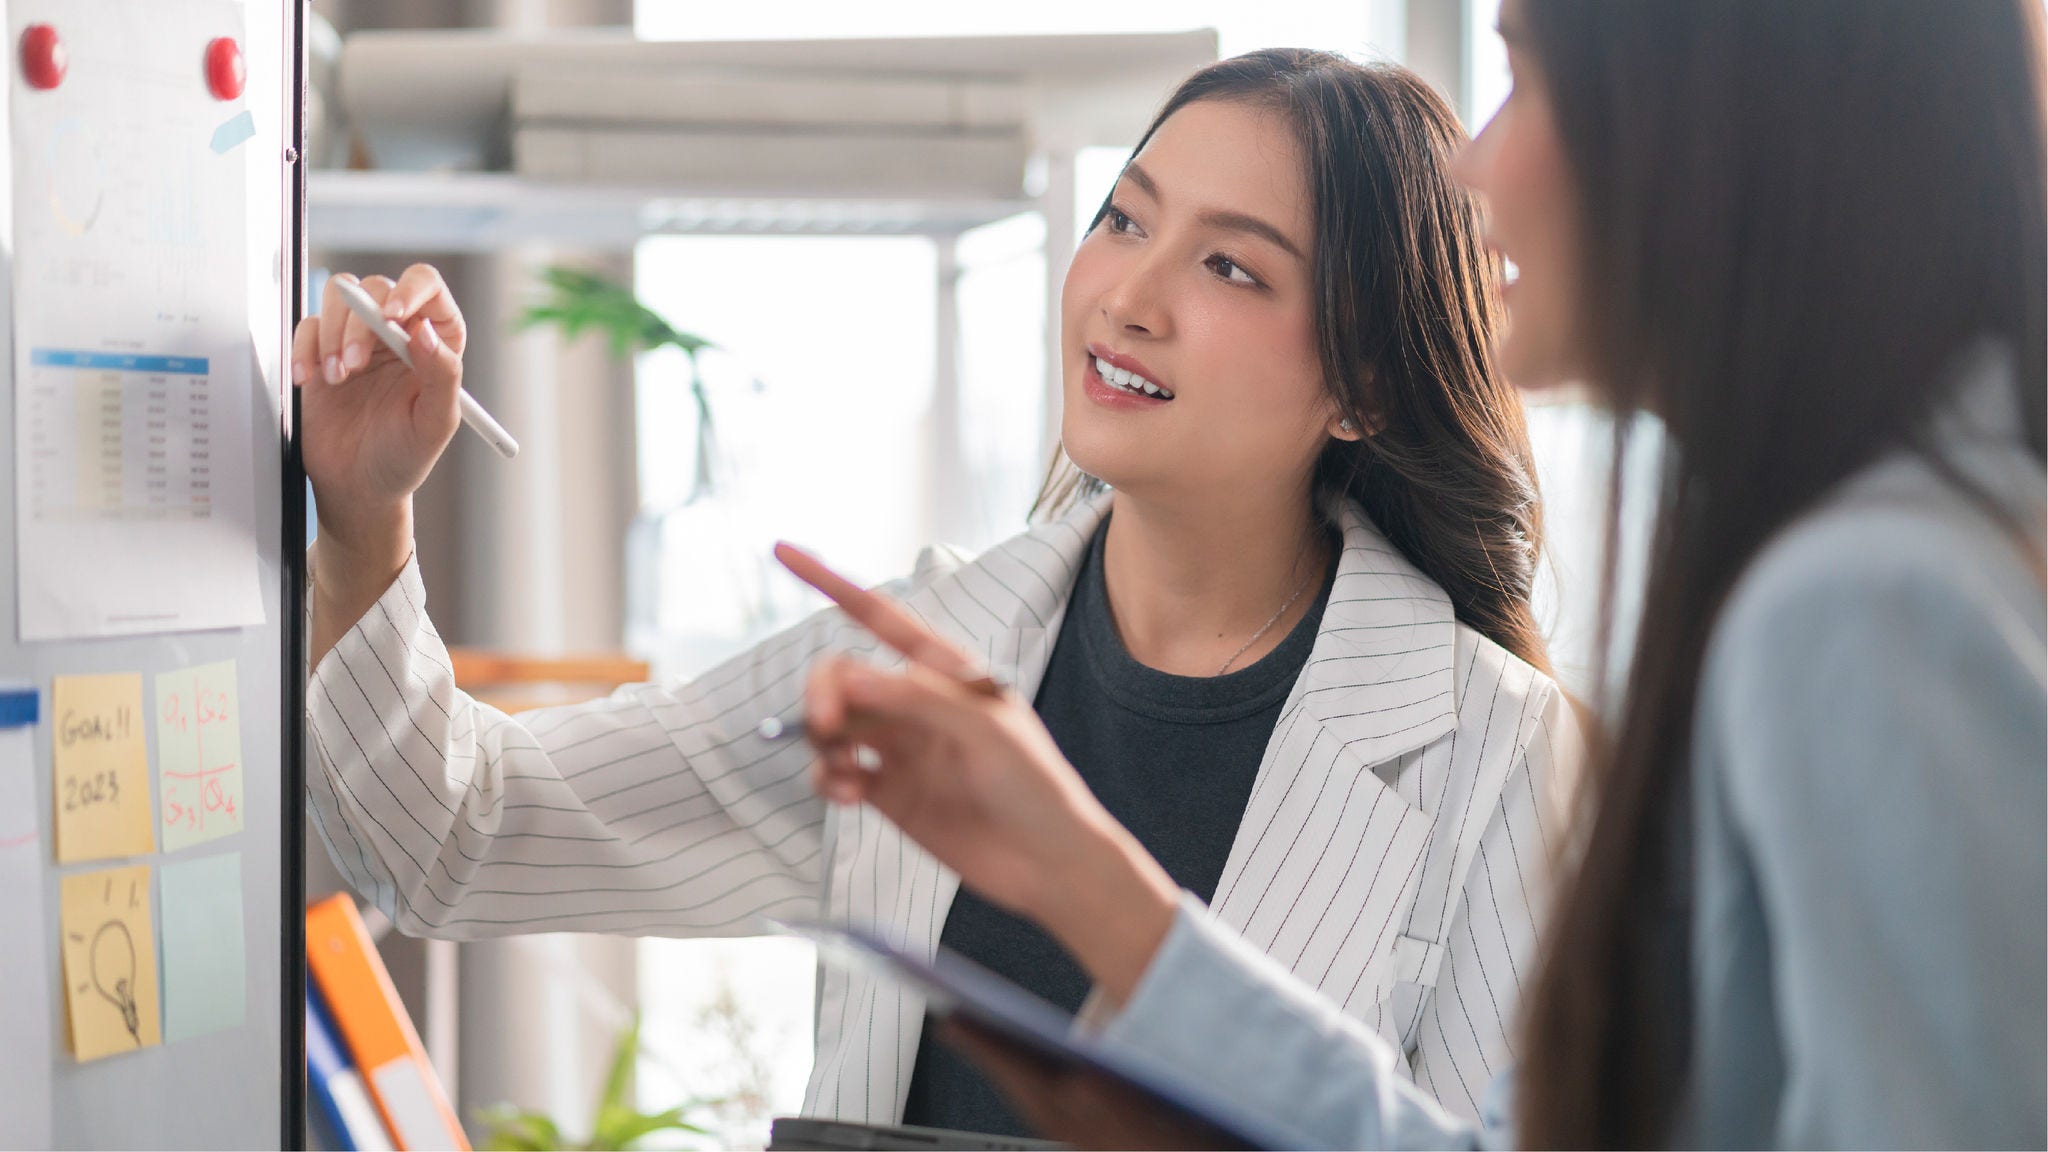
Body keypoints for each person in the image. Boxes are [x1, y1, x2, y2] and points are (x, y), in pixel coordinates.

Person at [789, 0, 2048, 1147]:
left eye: (1528, 80)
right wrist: (1094, 895)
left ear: (1725, 127)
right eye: (1125, 216)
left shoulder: (1863, 606)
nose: (1471, 164)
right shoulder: (1850, 566)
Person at [292, 50, 1579, 1133]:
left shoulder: (1502, 755)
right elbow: (456, 838)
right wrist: (366, 512)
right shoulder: (925, 657)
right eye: (1124, 220)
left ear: (1362, 384)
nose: (1127, 297)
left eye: (1229, 268)